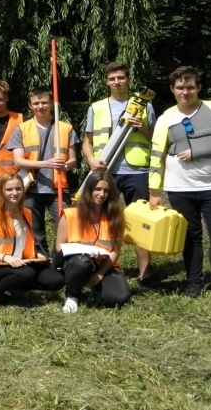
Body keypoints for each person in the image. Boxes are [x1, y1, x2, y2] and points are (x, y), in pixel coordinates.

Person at [148, 66, 211, 301]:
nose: (186, 92)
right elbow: (156, 156)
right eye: (180, 88)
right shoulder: (166, 118)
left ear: (199, 88)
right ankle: (193, 283)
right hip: (180, 187)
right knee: (190, 237)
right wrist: (154, 191)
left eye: (190, 87)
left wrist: (197, 149)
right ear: (172, 89)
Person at [82, 61, 157, 286]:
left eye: (121, 78)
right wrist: (91, 160)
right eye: (112, 79)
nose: (117, 82)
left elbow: (156, 138)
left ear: (129, 79)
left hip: (136, 170)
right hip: (106, 172)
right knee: (101, 219)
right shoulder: (97, 107)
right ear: (106, 82)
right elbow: (87, 141)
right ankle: (100, 268)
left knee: (141, 221)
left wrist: (141, 126)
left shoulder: (145, 106)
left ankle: (145, 272)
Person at [0, 173, 65, 306]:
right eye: (9, 189)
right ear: (0, 191)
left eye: (18, 189)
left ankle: (15, 287)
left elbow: (23, 243)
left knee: (56, 281)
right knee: (26, 273)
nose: (14, 193)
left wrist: (38, 256)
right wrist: (6, 258)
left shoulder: (26, 212)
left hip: (21, 263)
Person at [9, 88, 79, 256]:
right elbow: (18, 161)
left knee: (65, 226)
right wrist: (45, 163)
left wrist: (65, 166)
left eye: (44, 102)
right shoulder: (21, 129)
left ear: (51, 103)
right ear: (30, 105)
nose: (40, 106)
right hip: (31, 188)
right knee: (35, 229)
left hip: (58, 187)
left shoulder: (65, 128)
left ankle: (61, 260)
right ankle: (42, 258)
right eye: (36, 103)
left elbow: (73, 161)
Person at [54, 172, 131, 312]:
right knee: (82, 263)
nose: (102, 194)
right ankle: (72, 294)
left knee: (118, 298)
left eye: (106, 191)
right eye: (98, 189)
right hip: (76, 262)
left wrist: (100, 273)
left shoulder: (115, 217)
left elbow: (115, 250)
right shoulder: (71, 214)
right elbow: (59, 247)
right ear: (89, 190)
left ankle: (93, 286)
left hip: (103, 265)